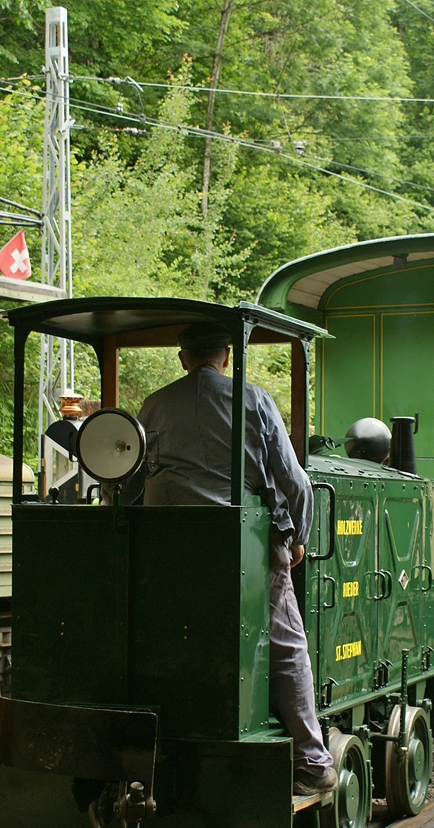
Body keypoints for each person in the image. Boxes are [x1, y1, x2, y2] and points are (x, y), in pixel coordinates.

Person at [136, 320, 336, 796]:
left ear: (182, 358)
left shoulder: (154, 405)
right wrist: (299, 539)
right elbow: (297, 483)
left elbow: (132, 474)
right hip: (244, 549)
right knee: (287, 643)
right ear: (226, 358)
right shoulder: (254, 400)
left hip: (167, 550)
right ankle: (311, 761)